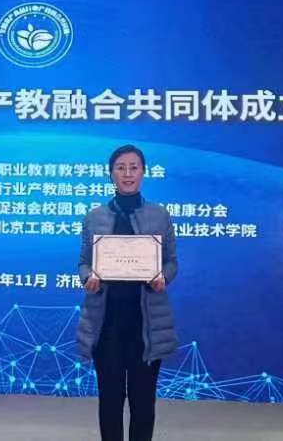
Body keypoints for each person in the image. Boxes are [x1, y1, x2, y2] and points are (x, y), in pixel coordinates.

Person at [76, 144, 179, 441]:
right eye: (121, 167)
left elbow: (172, 262)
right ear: (111, 174)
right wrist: (88, 277)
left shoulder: (160, 215)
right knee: (109, 401)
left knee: (143, 402)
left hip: (146, 325)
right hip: (106, 323)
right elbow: (83, 262)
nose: (128, 173)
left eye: (134, 167)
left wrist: (163, 277)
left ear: (144, 172)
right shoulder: (94, 217)